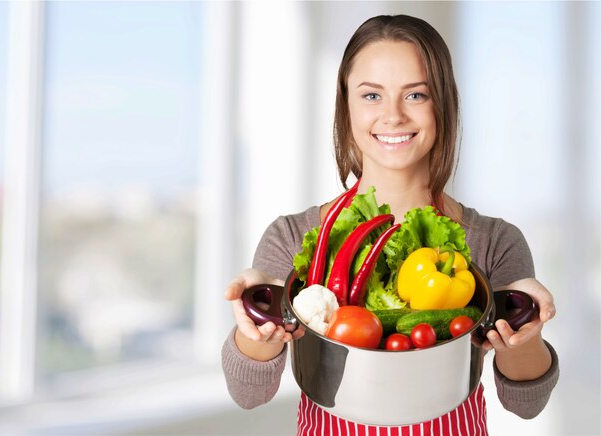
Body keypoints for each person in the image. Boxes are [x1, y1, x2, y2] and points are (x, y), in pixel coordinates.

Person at [222, 14, 559, 435]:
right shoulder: (292, 237)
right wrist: (259, 323)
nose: (393, 115)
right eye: (371, 96)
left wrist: (526, 335)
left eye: (415, 95)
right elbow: (247, 393)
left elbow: (525, 403)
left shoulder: (493, 242)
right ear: (346, 105)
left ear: (443, 104)